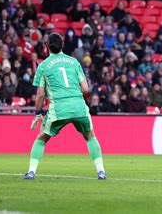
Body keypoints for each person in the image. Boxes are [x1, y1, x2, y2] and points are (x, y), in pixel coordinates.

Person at [24, 33, 106, 180]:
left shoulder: (43, 66)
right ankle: (101, 172)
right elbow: (86, 88)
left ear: (47, 46)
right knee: (90, 136)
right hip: (78, 105)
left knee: (42, 138)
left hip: (59, 108)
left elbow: (41, 94)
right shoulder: (74, 62)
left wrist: (38, 114)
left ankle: (31, 172)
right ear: (63, 45)